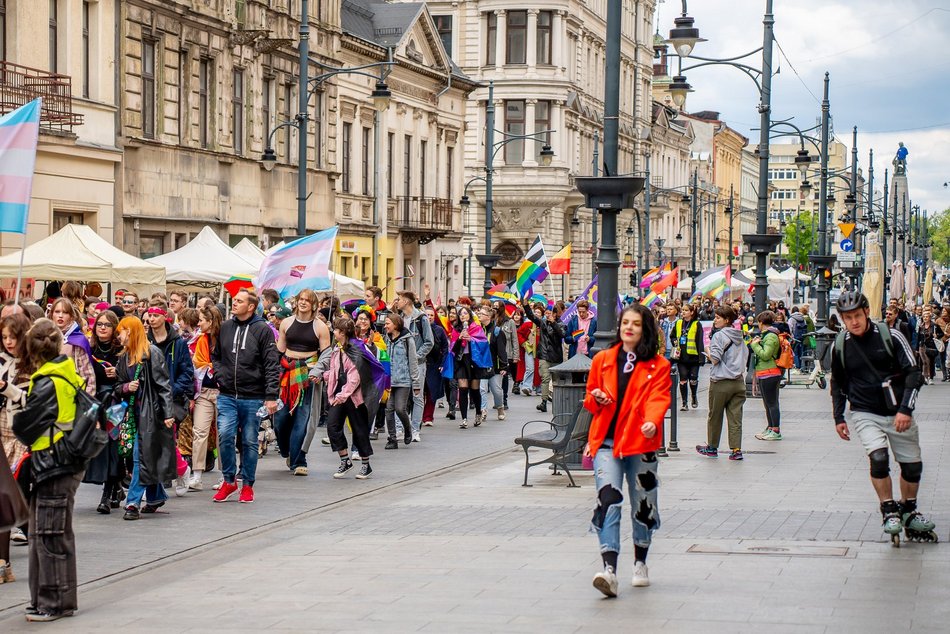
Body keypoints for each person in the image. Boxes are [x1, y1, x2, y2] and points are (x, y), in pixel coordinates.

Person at [830, 291, 935, 544]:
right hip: (865, 412)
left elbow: (914, 374)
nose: (853, 322)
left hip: (898, 411)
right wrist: (838, 417)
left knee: (912, 466)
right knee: (878, 458)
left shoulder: (891, 336)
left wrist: (905, 411)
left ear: (866, 312)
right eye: (847, 318)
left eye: (857, 315)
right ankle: (888, 510)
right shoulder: (841, 345)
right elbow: (838, 383)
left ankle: (909, 510)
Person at [583, 304, 671, 597]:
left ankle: (640, 562)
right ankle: (609, 570)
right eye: (625, 323)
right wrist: (598, 398)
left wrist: (652, 422)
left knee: (643, 504)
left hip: (640, 444)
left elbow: (659, 398)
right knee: (608, 500)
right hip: (606, 442)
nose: (628, 327)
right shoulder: (603, 359)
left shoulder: (659, 365)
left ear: (645, 328)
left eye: (635, 323)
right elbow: (591, 399)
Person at [11, 320, 89, 620]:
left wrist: (17, 401)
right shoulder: (64, 373)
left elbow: (25, 428)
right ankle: (44, 598)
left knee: (49, 535)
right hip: (63, 463)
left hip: (53, 464)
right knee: (49, 534)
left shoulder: (47, 381)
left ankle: (54, 602)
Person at [211, 289, 280, 504]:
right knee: (224, 435)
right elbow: (217, 357)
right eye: (234, 301)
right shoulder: (225, 328)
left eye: (239, 301)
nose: (234, 304)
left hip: (253, 395)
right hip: (227, 394)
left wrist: (271, 395)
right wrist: (220, 375)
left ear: (251, 306)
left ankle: (248, 484)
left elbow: (271, 364)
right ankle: (229, 480)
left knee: (250, 441)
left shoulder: (262, 330)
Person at [114, 317, 176, 520]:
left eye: (120, 331)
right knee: (146, 457)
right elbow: (118, 385)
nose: (118, 336)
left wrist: (168, 414)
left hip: (150, 415)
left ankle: (132, 502)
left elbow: (163, 385)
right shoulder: (124, 358)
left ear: (130, 332)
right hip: (131, 416)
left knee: (140, 458)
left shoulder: (152, 353)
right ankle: (156, 496)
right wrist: (126, 387)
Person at [275, 289, 329, 476]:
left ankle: (299, 459)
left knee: (302, 419)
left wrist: (318, 372)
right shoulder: (286, 323)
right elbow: (279, 351)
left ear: (314, 305)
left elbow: (326, 354)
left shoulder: (320, 326)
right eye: (301, 299)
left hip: (308, 374)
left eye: (307, 300)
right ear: (296, 303)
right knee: (280, 417)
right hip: (287, 373)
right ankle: (287, 450)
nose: (303, 302)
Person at [146, 299, 195, 496]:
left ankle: (181, 469)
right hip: (148, 398)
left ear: (165, 317)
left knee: (166, 439)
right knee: (151, 441)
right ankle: (167, 476)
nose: (151, 319)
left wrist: (172, 390)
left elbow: (187, 372)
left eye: (155, 315)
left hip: (171, 400)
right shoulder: (145, 340)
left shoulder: (178, 343)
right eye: (149, 315)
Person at [83, 310, 125, 513]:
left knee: (112, 445)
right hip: (94, 402)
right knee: (98, 446)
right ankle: (116, 485)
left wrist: (118, 373)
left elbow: (130, 376)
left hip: (115, 403)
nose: (102, 327)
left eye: (107, 325)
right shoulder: (88, 349)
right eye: (99, 324)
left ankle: (107, 495)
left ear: (114, 328)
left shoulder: (121, 351)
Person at [696, 306, 749, 461]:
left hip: (721, 381)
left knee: (715, 415)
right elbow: (745, 355)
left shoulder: (719, 336)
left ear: (727, 320)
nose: (715, 320)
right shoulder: (739, 336)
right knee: (735, 417)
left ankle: (712, 447)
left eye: (718, 317)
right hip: (738, 381)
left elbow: (715, 359)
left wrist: (707, 349)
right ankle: (736, 450)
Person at [0, 313, 30, 576]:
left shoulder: (32, 364)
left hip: (17, 435)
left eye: (13, 336)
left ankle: (3, 563)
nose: (9, 342)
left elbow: (28, 400)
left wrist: (6, 388)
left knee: (6, 497)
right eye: (5, 337)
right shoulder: (0, 361)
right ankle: (3, 564)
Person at [187, 305, 221, 490]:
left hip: (223, 392)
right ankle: (197, 475)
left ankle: (226, 476)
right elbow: (197, 363)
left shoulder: (225, 338)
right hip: (204, 391)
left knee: (224, 435)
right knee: (199, 432)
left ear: (211, 321)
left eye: (201, 320)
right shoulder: (201, 340)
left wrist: (212, 366)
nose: (198, 323)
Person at [395, 291, 432, 442]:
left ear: (407, 301)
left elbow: (429, 342)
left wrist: (415, 357)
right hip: (400, 364)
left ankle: (415, 429)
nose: (397, 301)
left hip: (418, 364)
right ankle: (399, 429)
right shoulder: (398, 319)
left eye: (399, 299)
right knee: (399, 396)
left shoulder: (421, 318)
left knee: (417, 396)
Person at [382, 313, 418, 448]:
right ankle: (392, 439)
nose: (385, 326)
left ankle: (407, 428)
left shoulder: (407, 340)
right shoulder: (386, 339)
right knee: (388, 409)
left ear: (396, 324)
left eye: (387, 324)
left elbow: (413, 361)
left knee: (400, 409)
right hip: (389, 380)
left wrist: (416, 383)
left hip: (403, 380)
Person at [523, 301, 565, 413]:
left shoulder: (561, 324)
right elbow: (531, 316)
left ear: (556, 314)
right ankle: (544, 402)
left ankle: (557, 401)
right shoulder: (543, 323)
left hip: (556, 357)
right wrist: (526, 305)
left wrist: (554, 324)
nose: (548, 315)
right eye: (547, 313)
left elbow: (562, 334)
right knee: (545, 378)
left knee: (556, 381)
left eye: (550, 313)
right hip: (544, 355)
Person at [50, 297, 96, 397]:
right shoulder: (45, 337)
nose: (60, 316)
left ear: (71, 316)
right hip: (49, 394)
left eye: (65, 312)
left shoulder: (78, 340)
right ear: (51, 314)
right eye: (57, 312)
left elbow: (88, 376)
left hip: (73, 395)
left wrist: (86, 403)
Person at [750, 311, 783, 441]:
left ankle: (776, 430)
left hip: (770, 372)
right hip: (764, 372)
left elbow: (766, 355)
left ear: (761, 322)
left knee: (772, 402)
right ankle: (770, 427)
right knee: (767, 403)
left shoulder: (771, 336)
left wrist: (754, 346)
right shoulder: (766, 335)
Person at [672, 303, 704, 411]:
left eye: (686, 310)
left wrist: (701, 358)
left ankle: (694, 397)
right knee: (683, 379)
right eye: (682, 310)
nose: (683, 312)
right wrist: (675, 342)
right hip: (681, 357)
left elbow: (700, 341)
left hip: (693, 357)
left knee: (693, 379)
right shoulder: (678, 323)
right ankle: (684, 403)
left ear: (691, 312)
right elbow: (672, 336)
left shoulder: (696, 324)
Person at [422, 306, 447, 429]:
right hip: (421, 364)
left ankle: (428, 417)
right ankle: (418, 416)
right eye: (427, 314)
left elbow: (445, 348)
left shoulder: (440, 330)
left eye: (432, 315)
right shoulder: (419, 328)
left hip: (434, 365)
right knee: (420, 392)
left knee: (431, 392)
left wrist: (443, 364)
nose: (429, 317)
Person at [481, 305, 508, 420]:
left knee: (496, 390)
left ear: (488, 317)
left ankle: (500, 407)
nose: (479, 315)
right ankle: (483, 410)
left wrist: (503, 366)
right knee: (481, 389)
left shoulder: (497, 331)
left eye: (481, 314)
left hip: (495, 366)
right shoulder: (479, 330)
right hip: (482, 365)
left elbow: (501, 350)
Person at [915, 308, 939, 385]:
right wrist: (916, 349)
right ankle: (925, 377)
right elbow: (918, 337)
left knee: (931, 362)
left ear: (929, 317)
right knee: (925, 362)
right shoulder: (921, 326)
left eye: (927, 316)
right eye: (924, 316)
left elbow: (941, 334)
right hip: (922, 346)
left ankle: (931, 378)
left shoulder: (934, 326)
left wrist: (937, 335)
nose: (925, 318)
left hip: (931, 346)